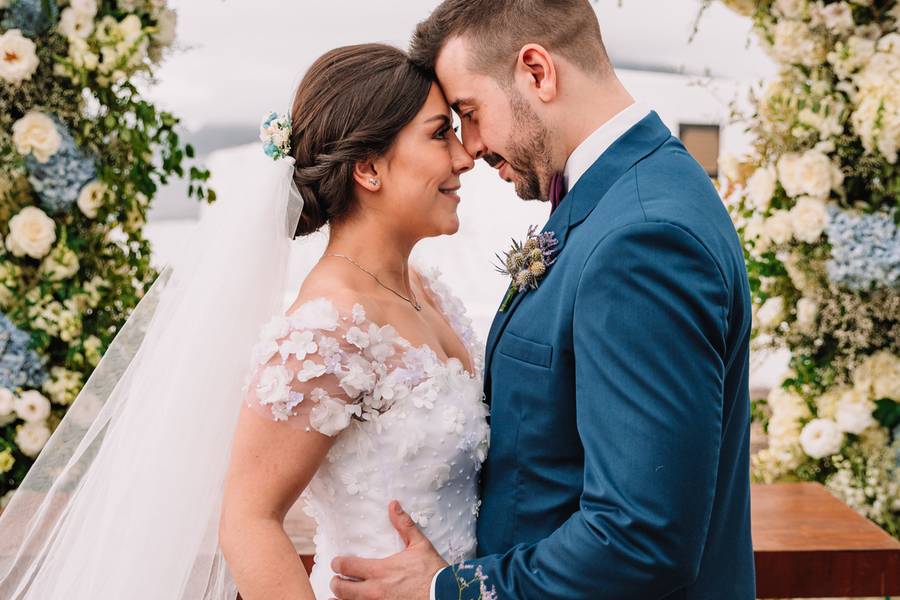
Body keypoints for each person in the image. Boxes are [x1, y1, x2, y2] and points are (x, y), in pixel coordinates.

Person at [0, 43, 488, 600]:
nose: (464, 157)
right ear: (368, 168)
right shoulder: (327, 330)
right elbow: (248, 521)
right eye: (438, 134)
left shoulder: (431, 292)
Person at [329, 1, 757, 598]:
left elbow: (639, 537)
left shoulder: (641, 238)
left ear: (537, 71)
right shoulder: (626, 194)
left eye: (470, 113)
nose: (469, 147)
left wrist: (448, 590)